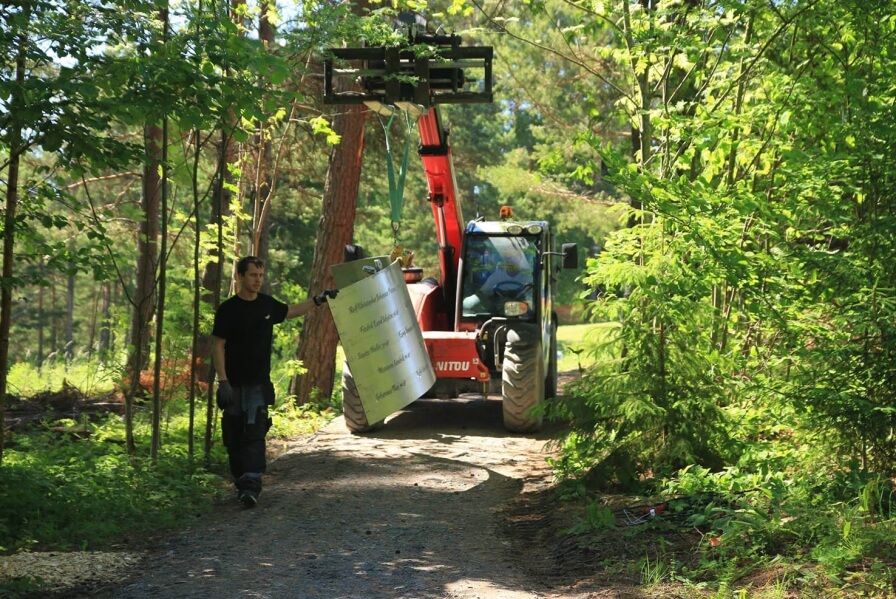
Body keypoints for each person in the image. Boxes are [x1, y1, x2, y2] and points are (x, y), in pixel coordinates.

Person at [212, 256, 337, 508]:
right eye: (252, 275)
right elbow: (217, 344)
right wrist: (223, 381)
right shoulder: (228, 310)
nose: (257, 280)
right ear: (240, 277)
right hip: (233, 384)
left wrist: (317, 300)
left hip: (259, 384)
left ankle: (252, 485)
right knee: (234, 435)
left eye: (260, 275)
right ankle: (241, 480)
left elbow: (290, 311)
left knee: (256, 431)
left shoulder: (266, 305)